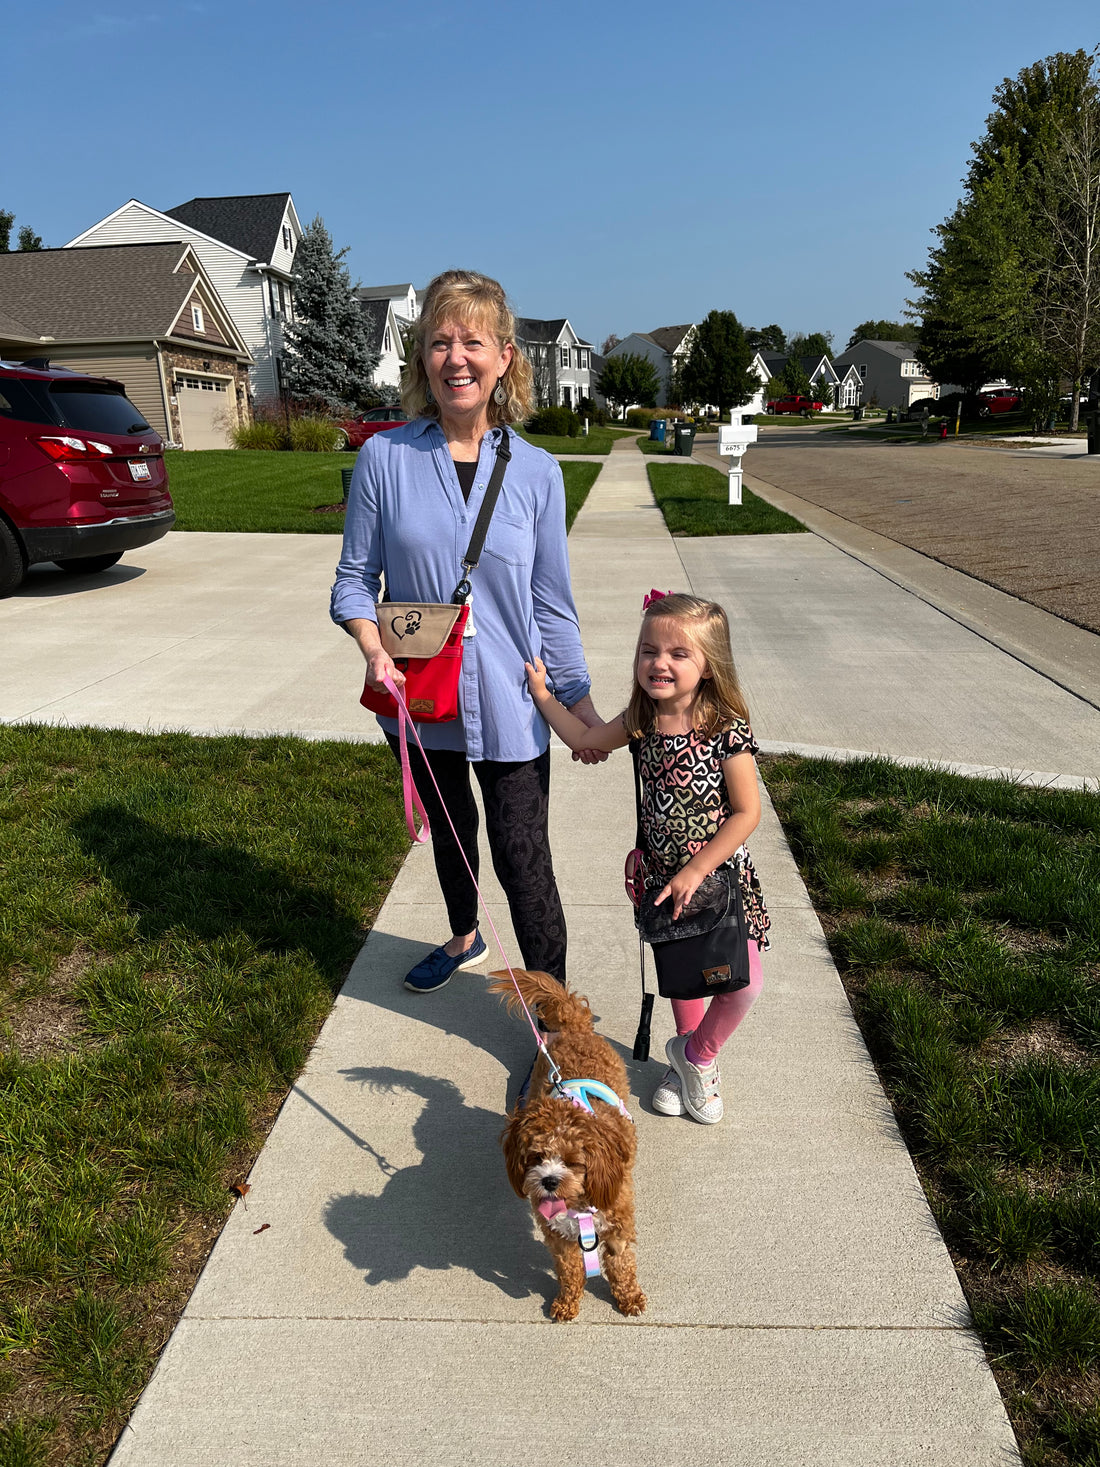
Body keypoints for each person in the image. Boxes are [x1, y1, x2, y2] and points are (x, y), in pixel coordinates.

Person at [330, 270, 605, 994]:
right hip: (420, 695)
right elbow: (353, 580)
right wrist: (372, 647)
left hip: (512, 700)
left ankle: (556, 1019)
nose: (456, 358)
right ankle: (463, 936)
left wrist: (579, 705)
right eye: (439, 342)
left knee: (525, 863)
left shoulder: (539, 473)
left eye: (472, 342)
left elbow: (552, 603)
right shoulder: (385, 459)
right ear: (422, 358)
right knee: (451, 837)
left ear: (504, 357)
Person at [525, 591, 770, 1125]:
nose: (660, 663)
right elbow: (585, 738)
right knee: (685, 978)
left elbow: (747, 812)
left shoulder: (725, 727)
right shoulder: (641, 720)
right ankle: (684, 1066)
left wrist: (696, 869)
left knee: (742, 985)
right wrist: (543, 695)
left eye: (679, 654)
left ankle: (696, 1056)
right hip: (662, 879)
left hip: (719, 878)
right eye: (649, 651)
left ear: (709, 666)